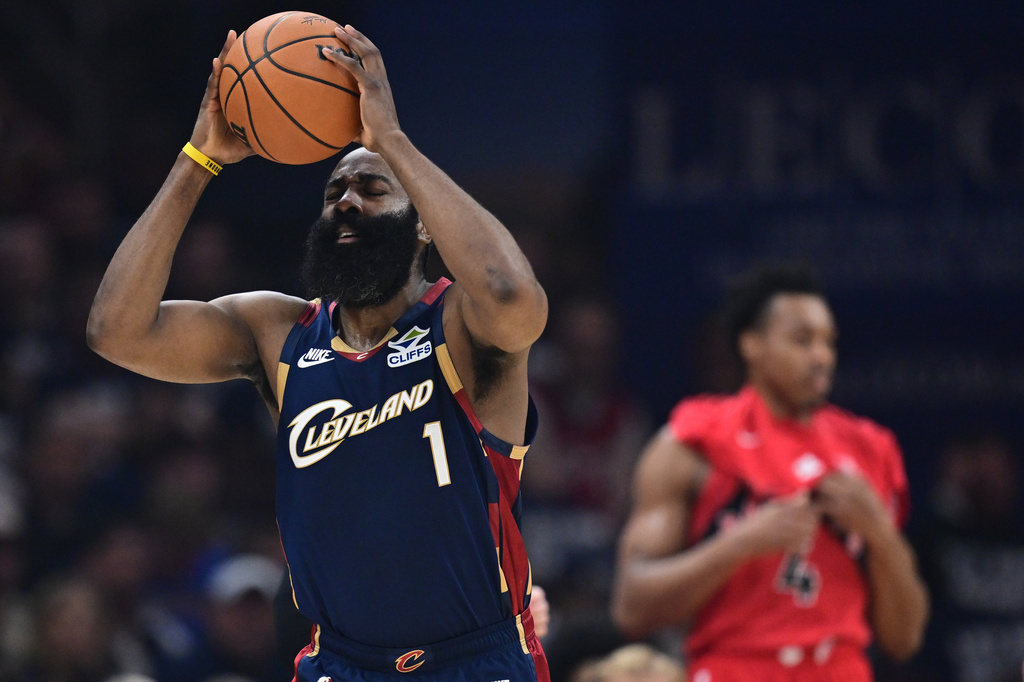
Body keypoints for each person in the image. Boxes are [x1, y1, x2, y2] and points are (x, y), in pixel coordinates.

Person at [87, 24, 550, 682]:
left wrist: (389, 140)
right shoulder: (279, 332)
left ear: (422, 225)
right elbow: (117, 331)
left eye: (372, 190)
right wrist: (199, 158)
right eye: (333, 194)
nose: (348, 203)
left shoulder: (463, 328)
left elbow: (512, 291)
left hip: (474, 661)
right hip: (341, 664)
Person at [610, 264, 928, 681]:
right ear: (751, 345)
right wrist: (742, 543)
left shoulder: (870, 447)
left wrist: (880, 533)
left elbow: (903, 640)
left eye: (828, 342)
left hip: (840, 669)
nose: (822, 356)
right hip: (733, 667)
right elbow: (631, 606)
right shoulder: (692, 443)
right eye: (802, 340)